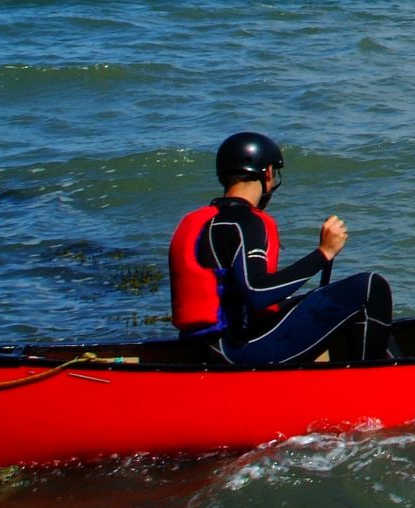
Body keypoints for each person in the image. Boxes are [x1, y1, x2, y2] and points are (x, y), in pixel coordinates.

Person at [167, 131, 397, 366]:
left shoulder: (209, 221)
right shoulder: (245, 221)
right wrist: (323, 253)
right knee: (370, 288)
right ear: (267, 173)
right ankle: (369, 388)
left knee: (327, 300)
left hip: (205, 349)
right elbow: (257, 292)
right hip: (236, 353)